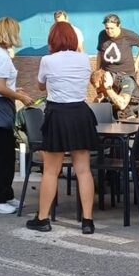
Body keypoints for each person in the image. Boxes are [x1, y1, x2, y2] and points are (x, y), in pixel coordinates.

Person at [27, 22, 99, 235]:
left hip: (57, 114)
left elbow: (41, 85)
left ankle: (43, 218)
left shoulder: (47, 60)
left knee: (51, 170)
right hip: (80, 113)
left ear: (52, 40)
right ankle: (87, 220)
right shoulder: (84, 58)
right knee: (83, 170)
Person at [0, 17, 35, 215]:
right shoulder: (2, 56)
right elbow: (2, 88)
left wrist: (15, 89)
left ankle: (4, 194)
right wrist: (21, 96)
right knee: (2, 157)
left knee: (2, 155)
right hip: (0, 109)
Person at [97, 13, 139, 85]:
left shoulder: (128, 35)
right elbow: (100, 52)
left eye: (112, 28)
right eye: (107, 28)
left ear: (119, 26)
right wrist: (97, 70)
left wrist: (137, 62)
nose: (109, 31)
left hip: (126, 76)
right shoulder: (102, 35)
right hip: (108, 76)